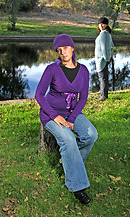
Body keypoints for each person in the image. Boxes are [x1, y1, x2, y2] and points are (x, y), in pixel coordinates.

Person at [35, 34, 98, 204]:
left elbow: (83, 98)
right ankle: (77, 187)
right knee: (69, 140)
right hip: (51, 113)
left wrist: (72, 118)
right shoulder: (52, 69)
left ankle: (69, 161)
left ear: (72, 48)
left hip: (71, 112)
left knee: (91, 134)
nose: (63, 52)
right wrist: (55, 116)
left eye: (65, 48)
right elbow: (39, 95)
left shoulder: (83, 70)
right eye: (59, 49)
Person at [95, 17, 114, 101]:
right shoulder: (105, 33)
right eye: (100, 24)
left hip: (102, 59)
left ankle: (103, 96)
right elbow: (112, 45)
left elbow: (105, 48)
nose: (101, 25)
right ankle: (101, 91)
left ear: (106, 25)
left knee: (103, 77)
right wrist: (111, 55)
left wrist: (107, 58)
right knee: (102, 77)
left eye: (103, 24)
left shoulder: (104, 34)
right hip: (101, 59)